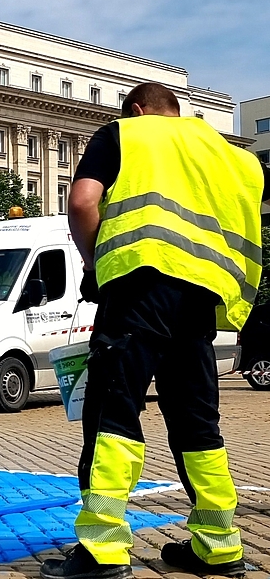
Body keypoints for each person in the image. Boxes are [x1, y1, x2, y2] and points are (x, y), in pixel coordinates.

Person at [42, 82, 267, 579]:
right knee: (196, 420)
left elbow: (83, 202)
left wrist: (93, 262)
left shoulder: (126, 132)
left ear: (139, 110)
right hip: (203, 294)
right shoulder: (232, 156)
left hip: (140, 283)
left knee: (113, 408)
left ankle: (102, 551)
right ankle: (219, 546)